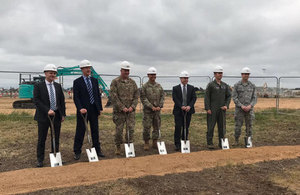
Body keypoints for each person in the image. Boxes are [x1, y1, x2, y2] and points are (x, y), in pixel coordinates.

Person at [33, 64, 66, 167]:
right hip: (43, 116)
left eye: (54, 73)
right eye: (51, 73)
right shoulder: (38, 86)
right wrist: (47, 110)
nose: (53, 75)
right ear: (45, 73)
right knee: (42, 138)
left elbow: (61, 101)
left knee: (55, 137)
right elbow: (37, 101)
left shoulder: (58, 86)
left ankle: (55, 157)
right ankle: (40, 159)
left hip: (56, 115)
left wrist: (63, 114)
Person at [73, 60, 105, 160]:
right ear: (82, 69)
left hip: (94, 109)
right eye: (86, 68)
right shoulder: (77, 82)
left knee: (95, 130)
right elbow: (76, 97)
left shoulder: (95, 81)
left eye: (89, 68)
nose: (88, 69)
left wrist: (99, 108)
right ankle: (77, 151)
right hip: (83, 111)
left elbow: (97, 96)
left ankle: (97, 149)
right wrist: (80, 108)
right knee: (81, 130)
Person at [110, 61, 139, 155]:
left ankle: (129, 147)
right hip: (119, 112)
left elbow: (136, 96)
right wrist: (122, 107)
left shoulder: (133, 83)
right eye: (125, 70)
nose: (126, 72)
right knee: (119, 131)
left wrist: (132, 107)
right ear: (121, 70)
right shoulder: (115, 82)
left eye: (128, 70)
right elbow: (114, 97)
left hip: (130, 112)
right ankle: (118, 147)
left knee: (130, 130)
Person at [204, 66, 231, 149]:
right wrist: (207, 108)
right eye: (218, 73)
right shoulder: (211, 85)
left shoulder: (225, 85)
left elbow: (229, 96)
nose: (220, 75)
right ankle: (210, 143)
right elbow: (207, 97)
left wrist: (226, 105)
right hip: (212, 109)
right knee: (211, 126)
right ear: (215, 74)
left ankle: (221, 142)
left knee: (222, 127)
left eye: (221, 73)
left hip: (222, 110)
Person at [140, 67, 165, 150]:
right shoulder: (144, 86)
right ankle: (146, 142)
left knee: (156, 127)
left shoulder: (159, 86)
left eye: (154, 74)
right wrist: (151, 107)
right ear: (148, 75)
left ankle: (155, 142)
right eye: (151, 74)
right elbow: (143, 98)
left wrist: (159, 106)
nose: (153, 76)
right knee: (147, 127)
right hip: (148, 111)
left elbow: (162, 96)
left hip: (157, 111)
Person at [172, 71, 197, 151]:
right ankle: (177, 144)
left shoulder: (191, 88)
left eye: (187, 78)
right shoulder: (175, 88)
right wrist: (181, 106)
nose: (186, 79)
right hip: (178, 111)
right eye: (184, 78)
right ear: (180, 79)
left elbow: (194, 98)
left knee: (186, 127)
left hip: (188, 111)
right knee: (178, 127)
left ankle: (184, 141)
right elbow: (175, 98)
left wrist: (189, 106)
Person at [232, 67, 257, 146]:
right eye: (244, 74)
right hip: (239, 110)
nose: (246, 75)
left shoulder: (252, 86)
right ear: (241, 75)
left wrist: (250, 105)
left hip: (249, 110)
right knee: (238, 126)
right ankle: (236, 140)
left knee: (249, 126)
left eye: (247, 74)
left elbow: (255, 98)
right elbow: (234, 97)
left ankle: (248, 141)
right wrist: (241, 106)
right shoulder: (236, 85)